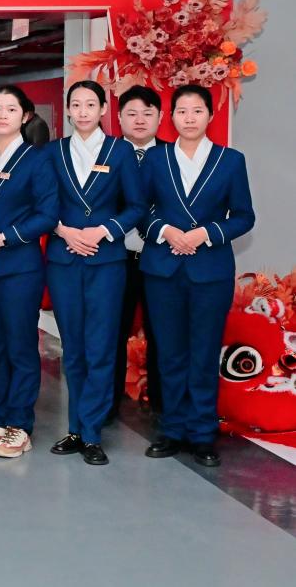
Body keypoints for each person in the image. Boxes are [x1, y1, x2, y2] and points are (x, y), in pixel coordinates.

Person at [141, 84, 255, 468]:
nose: (189, 118)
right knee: (169, 352)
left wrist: (205, 233)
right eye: (182, 111)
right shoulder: (155, 159)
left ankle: (203, 432)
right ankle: (173, 428)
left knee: (204, 353)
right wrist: (165, 230)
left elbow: (244, 216)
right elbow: (139, 209)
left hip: (210, 270)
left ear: (210, 115)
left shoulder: (230, 160)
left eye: (197, 111)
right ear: (171, 117)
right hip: (163, 267)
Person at [45, 80, 144, 466]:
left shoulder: (121, 151)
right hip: (65, 258)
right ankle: (75, 427)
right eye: (76, 104)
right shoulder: (53, 152)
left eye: (91, 104)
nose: (83, 111)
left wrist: (102, 231)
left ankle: (91, 432)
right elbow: (42, 203)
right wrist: (64, 231)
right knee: (73, 347)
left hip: (106, 261)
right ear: (68, 110)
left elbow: (136, 206)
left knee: (101, 347)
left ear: (104, 109)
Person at [0, 84, 58, 459]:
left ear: (25, 116)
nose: (2, 115)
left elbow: (47, 214)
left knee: (20, 345)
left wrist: (5, 237)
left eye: (11, 109)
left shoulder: (37, 160)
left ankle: (20, 423)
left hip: (18, 265)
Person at [114, 84, 165, 417]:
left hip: (161, 259)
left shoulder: (174, 155)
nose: (140, 120)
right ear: (119, 118)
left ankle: (162, 406)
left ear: (160, 117)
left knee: (162, 334)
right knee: (112, 333)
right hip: (117, 260)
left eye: (148, 113)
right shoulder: (106, 154)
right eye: (132, 113)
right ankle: (107, 404)